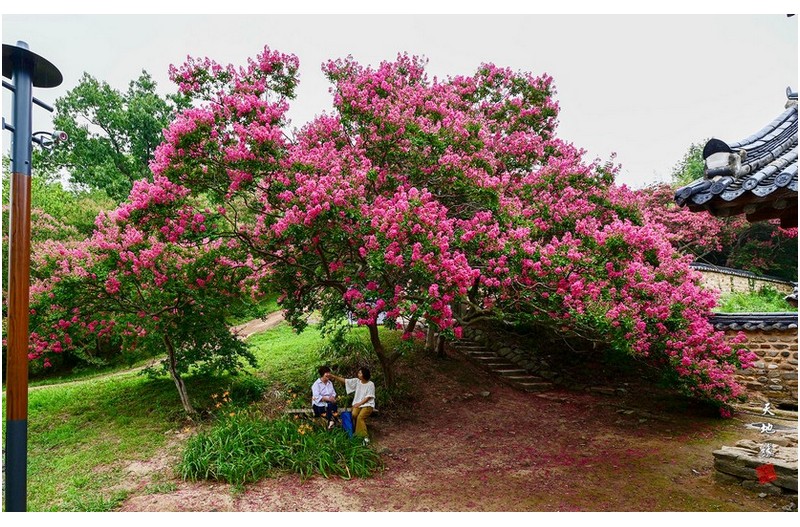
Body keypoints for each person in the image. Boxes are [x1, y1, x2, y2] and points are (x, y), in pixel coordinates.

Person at [330, 367, 375, 441]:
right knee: (353, 415)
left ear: (364, 374)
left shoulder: (371, 384)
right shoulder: (357, 381)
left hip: (368, 404)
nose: (358, 374)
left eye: (360, 373)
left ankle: (365, 437)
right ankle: (355, 434)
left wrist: (359, 404)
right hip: (357, 404)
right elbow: (345, 381)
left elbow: (368, 397)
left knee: (360, 417)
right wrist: (334, 376)